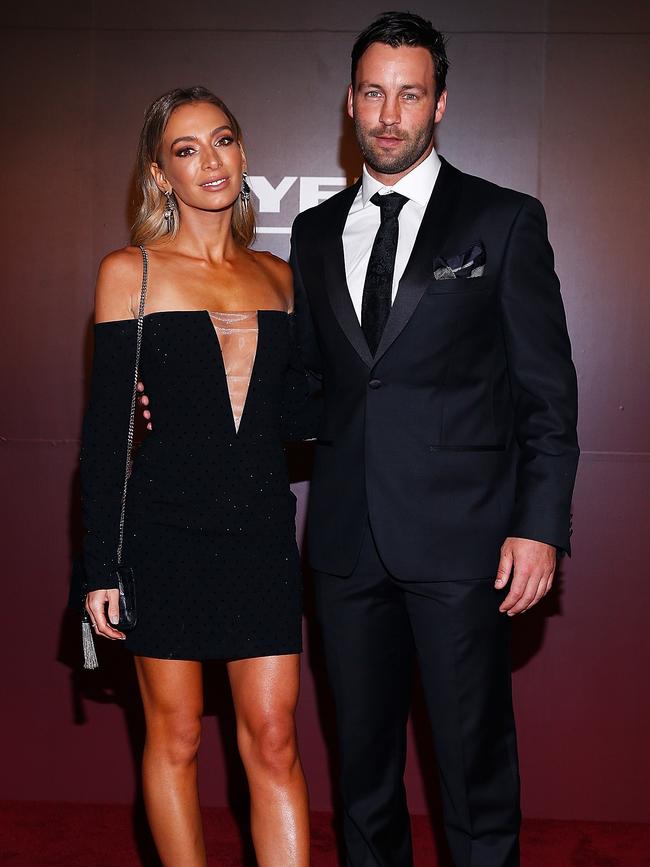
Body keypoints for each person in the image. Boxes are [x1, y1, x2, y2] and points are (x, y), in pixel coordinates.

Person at [290, 12, 579, 867]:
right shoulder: (311, 232)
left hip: (465, 544)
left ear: (440, 104)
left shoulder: (504, 219)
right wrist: (209, 406)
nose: (389, 114)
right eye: (373, 92)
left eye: (409, 94)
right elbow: (312, 387)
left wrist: (541, 525)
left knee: (471, 768)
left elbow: (547, 396)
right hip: (345, 547)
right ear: (349, 100)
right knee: (362, 778)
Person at [81, 86, 312, 867]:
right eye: (186, 149)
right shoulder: (130, 273)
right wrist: (98, 567)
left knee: (275, 739)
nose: (208, 161)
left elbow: (307, 411)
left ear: (244, 154)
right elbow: (107, 440)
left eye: (221, 141)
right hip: (165, 532)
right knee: (174, 737)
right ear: (160, 174)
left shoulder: (282, 278)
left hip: (261, 535)